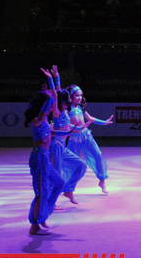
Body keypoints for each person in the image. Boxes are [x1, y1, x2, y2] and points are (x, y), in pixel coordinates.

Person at [41, 66, 88, 205]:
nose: (69, 98)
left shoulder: (66, 110)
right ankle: (51, 201)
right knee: (56, 175)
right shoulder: (57, 112)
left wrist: (57, 77)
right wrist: (52, 79)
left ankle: (68, 190)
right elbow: (56, 94)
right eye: (67, 97)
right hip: (55, 146)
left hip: (63, 147)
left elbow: (59, 91)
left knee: (81, 166)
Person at [24, 87, 68, 235]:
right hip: (39, 157)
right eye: (49, 107)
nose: (50, 110)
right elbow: (41, 119)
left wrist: (72, 131)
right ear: (43, 106)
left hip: (44, 157)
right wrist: (49, 99)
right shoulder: (36, 120)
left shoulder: (44, 121)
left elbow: (53, 132)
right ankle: (35, 225)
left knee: (59, 183)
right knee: (41, 192)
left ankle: (42, 214)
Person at [67, 85, 113, 194]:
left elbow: (90, 118)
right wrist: (78, 128)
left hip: (86, 136)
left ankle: (102, 180)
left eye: (81, 96)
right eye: (77, 95)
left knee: (97, 154)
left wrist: (104, 122)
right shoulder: (67, 109)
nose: (79, 98)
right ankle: (68, 188)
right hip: (74, 138)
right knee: (72, 163)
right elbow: (67, 124)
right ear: (71, 96)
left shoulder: (80, 108)